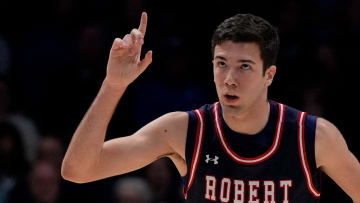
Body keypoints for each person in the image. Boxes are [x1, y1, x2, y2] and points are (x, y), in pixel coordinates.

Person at [61, 12, 360, 202]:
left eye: (244, 66)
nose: (229, 79)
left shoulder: (313, 136)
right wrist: (113, 86)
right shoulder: (182, 129)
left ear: (269, 74)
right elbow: (78, 170)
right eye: (221, 64)